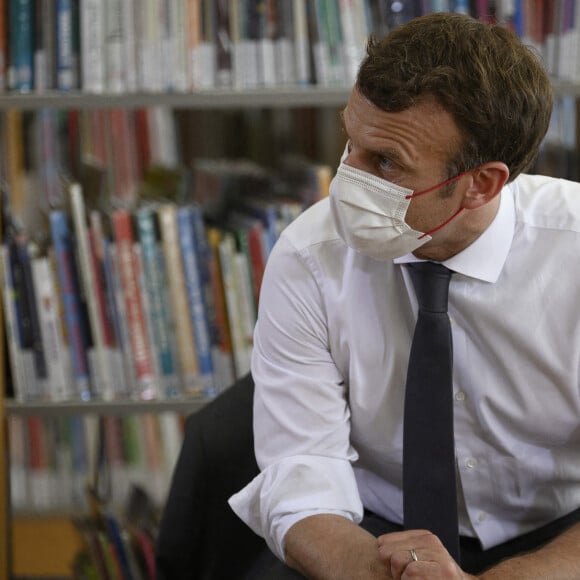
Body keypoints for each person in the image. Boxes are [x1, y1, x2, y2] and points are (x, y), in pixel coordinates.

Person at [229, 12, 580, 579]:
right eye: (352, 142)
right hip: (374, 531)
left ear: (482, 183)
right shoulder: (308, 257)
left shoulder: (574, 253)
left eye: (386, 163)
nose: (345, 180)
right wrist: (385, 571)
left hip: (556, 533)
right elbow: (301, 474)